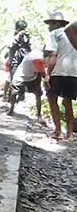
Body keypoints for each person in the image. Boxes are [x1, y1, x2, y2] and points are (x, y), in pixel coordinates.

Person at [44, 12, 77, 140]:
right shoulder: (74, 33)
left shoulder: (54, 34)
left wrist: (47, 74)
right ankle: (69, 134)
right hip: (74, 73)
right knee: (67, 101)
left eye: (50, 23)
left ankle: (58, 131)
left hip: (59, 71)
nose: (48, 27)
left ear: (57, 24)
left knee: (52, 99)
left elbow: (53, 57)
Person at [8, 50, 46, 119]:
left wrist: (39, 84)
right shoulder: (38, 58)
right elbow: (43, 73)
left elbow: (41, 73)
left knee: (38, 94)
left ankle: (39, 115)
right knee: (14, 92)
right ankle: (11, 109)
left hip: (32, 77)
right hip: (21, 76)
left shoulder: (41, 57)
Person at [8, 20, 31, 101]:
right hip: (22, 61)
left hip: (16, 61)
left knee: (14, 81)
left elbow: (11, 45)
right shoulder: (26, 35)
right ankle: (16, 96)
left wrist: (17, 35)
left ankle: (13, 100)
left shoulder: (20, 35)